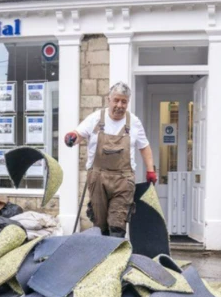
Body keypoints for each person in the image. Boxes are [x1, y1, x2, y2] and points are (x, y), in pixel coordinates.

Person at [64, 81, 156, 238]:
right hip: (98, 179)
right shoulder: (95, 119)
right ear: (109, 100)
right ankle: (102, 259)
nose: (120, 105)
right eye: (116, 100)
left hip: (123, 181)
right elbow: (79, 134)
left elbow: (144, 147)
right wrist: (72, 137)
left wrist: (150, 170)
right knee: (100, 226)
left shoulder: (134, 122)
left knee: (117, 225)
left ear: (128, 102)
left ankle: (116, 260)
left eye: (124, 101)